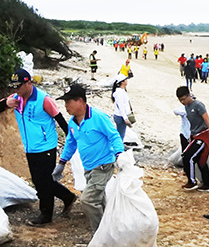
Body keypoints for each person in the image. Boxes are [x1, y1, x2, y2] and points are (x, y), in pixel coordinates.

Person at [2, 69, 76, 226]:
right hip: (30, 148)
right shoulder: (15, 99)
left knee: (43, 182)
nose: (16, 90)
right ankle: (68, 197)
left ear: (28, 83)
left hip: (46, 147)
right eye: (14, 87)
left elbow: (60, 119)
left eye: (18, 86)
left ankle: (46, 214)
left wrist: (72, 139)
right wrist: (5, 104)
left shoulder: (43, 99)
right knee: (40, 180)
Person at [52, 84, 125, 232]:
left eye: (68, 102)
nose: (66, 106)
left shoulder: (98, 117)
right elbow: (71, 143)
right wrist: (61, 162)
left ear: (80, 101)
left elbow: (114, 136)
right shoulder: (73, 122)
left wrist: (119, 155)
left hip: (103, 166)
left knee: (88, 200)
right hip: (89, 168)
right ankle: (110, 228)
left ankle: (100, 233)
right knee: (99, 199)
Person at [176, 86, 209, 191]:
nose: (182, 102)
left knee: (188, 156)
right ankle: (207, 183)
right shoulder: (186, 107)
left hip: (203, 136)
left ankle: (192, 181)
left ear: (189, 95)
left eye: (183, 99)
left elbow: (208, 121)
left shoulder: (198, 105)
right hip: (195, 135)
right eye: (180, 100)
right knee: (200, 160)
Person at [112, 74, 132, 140]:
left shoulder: (121, 91)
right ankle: (118, 149)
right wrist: (125, 118)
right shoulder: (119, 92)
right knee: (120, 135)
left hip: (121, 116)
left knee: (120, 134)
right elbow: (121, 107)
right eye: (125, 80)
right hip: (120, 117)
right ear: (122, 82)